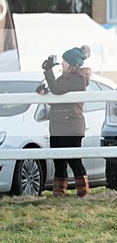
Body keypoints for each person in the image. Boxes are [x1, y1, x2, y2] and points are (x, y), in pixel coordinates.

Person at [39, 46, 92, 197]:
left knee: (74, 160)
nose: (62, 63)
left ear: (72, 63)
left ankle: (83, 192)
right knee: (59, 161)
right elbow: (56, 94)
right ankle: (59, 193)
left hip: (71, 126)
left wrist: (48, 71)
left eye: (65, 61)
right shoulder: (64, 78)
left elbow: (56, 89)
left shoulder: (78, 79)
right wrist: (44, 91)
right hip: (58, 125)